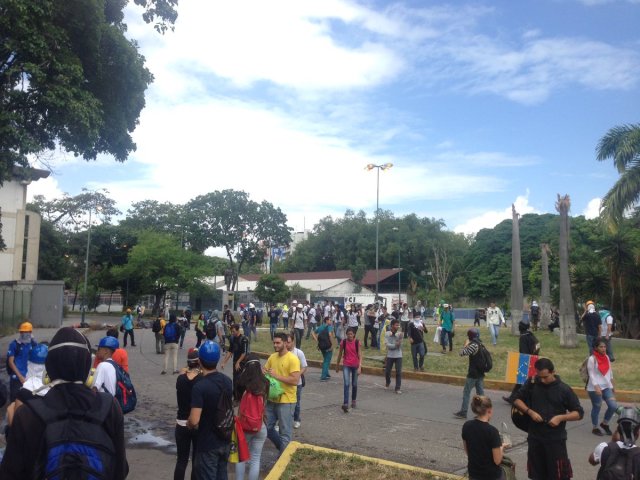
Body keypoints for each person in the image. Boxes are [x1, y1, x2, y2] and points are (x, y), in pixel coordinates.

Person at [0, 327, 128, 479]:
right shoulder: (109, 407)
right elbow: (120, 470)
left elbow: (10, 473)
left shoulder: (28, 414)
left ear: (49, 369)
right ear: (88, 368)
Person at [513, 358, 584, 480]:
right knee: (536, 475)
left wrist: (561, 417)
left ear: (553, 372)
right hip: (535, 438)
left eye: (545, 377)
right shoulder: (532, 383)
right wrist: (530, 412)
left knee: (558, 475)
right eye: (540, 376)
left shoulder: (564, 389)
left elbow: (578, 413)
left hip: (555, 440)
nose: (542, 380)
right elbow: (516, 399)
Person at [188, 341, 232, 480]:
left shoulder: (200, 387)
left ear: (199, 361)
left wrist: (188, 424)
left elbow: (194, 420)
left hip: (207, 443)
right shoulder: (227, 381)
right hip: (224, 439)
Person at [263, 332, 301, 454]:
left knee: (285, 433)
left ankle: (282, 461)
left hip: (286, 401)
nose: (275, 345)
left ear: (285, 343)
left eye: (278, 342)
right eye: (274, 342)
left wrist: (276, 376)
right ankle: (284, 450)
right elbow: (265, 370)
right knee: (266, 428)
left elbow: (295, 380)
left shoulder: (293, 359)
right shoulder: (272, 357)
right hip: (271, 399)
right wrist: (263, 372)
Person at [235, 354, 269, 480]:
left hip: (244, 426)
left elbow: (238, 400)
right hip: (260, 425)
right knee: (255, 458)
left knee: (241, 457)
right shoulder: (266, 382)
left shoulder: (241, 382)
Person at [462, 395, 506, 480]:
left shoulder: (466, 426)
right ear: (489, 411)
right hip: (491, 476)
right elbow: (497, 461)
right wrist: (502, 447)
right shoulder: (492, 431)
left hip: (474, 474)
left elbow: (468, 451)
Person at [589, 406, 640, 478]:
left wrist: (612, 441)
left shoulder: (604, 447)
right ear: (638, 433)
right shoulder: (638, 454)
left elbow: (592, 461)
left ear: (618, 430)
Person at [174, 348, 202, 480]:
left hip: (181, 423)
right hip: (197, 423)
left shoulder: (180, 379)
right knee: (196, 460)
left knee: (181, 460)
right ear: (199, 362)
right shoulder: (202, 380)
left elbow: (184, 374)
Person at [587, 337, 617, 437]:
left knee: (613, 406)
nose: (603, 349)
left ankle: (604, 424)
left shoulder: (607, 357)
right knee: (597, 406)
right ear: (596, 348)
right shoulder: (592, 359)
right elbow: (591, 374)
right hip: (594, 387)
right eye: (601, 347)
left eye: (605, 346)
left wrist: (612, 384)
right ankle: (595, 427)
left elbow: (610, 371)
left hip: (606, 386)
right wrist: (596, 387)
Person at [454, 328, 487, 420]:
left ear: (469, 336)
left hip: (473, 374)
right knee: (480, 393)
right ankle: (484, 412)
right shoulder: (480, 343)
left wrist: (465, 345)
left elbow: (462, 353)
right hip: (480, 373)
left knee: (466, 392)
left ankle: (463, 412)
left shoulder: (473, 345)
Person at [503, 321, 539, 403]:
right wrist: (534, 354)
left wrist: (524, 359)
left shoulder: (523, 337)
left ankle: (515, 399)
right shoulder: (531, 334)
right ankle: (513, 398)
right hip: (533, 359)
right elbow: (538, 345)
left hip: (525, 360)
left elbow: (523, 351)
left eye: (519, 326)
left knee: (521, 381)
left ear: (521, 327)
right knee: (524, 382)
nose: (518, 327)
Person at [6, 321, 37, 402]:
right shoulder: (14, 344)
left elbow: (37, 355)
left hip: (28, 376)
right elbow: (10, 361)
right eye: (23, 332)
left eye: (28, 332)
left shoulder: (32, 343)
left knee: (27, 400)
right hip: (16, 377)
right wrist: (20, 376)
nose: (25, 334)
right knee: (15, 399)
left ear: (31, 332)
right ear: (20, 332)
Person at [220, 324, 250, 401]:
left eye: (233, 331)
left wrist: (238, 362)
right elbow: (230, 351)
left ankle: (239, 398)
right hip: (235, 361)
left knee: (240, 380)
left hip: (242, 362)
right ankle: (236, 396)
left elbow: (244, 353)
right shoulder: (232, 338)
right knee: (235, 379)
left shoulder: (244, 339)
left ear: (238, 330)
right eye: (231, 331)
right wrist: (224, 362)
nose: (232, 333)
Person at [335, 327, 362, 412]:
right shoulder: (343, 342)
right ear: (346, 334)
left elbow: (360, 355)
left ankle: (353, 400)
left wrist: (360, 367)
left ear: (354, 334)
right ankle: (345, 403)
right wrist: (337, 364)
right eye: (348, 334)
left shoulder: (357, 342)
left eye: (351, 334)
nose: (350, 335)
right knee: (346, 383)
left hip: (355, 365)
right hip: (346, 364)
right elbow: (340, 354)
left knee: (354, 384)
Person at [286, 333, 308, 429]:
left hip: (296, 383)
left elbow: (304, 366)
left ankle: (296, 419)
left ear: (293, 342)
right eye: (285, 342)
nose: (287, 344)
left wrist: (298, 374)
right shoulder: (282, 353)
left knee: (296, 403)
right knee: (282, 403)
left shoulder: (299, 353)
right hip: (285, 382)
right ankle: (280, 421)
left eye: (289, 342)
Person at [384, 319, 403, 394]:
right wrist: (395, 345)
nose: (398, 326)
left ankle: (397, 388)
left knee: (398, 372)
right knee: (387, 371)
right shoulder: (387, 333)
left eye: (398, 325)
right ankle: (388, 381)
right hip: (390, 355)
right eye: (396, 325)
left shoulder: (399, 334)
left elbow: (401, 345)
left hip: (398, 355)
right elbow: (387, 345)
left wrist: (400, 339)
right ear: (392, 325)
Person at [312, 316, 334, 381]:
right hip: (328, 346)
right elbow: (330, 335)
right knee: (327, 361)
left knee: (325, 359)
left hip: (321, 346)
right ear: (326, 321)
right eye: (330, 320)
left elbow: (313, 333)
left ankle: (326, 373)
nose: (330, 321)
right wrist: (332, 345)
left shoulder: (321, 327)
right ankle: (323, 376)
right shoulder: (329, 327)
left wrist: (317, 340)